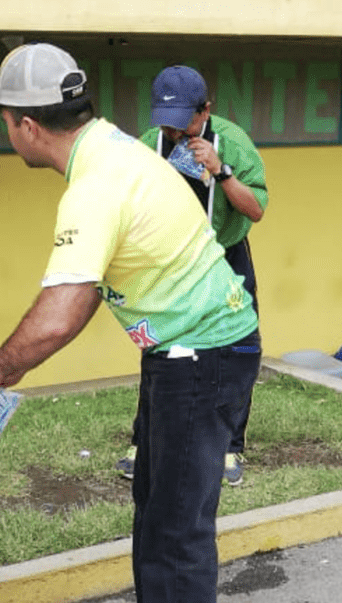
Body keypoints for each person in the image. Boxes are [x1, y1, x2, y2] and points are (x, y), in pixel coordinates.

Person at [0, 43, 260, 603]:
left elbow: (62, 311)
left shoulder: (95, 185)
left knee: (180, 522)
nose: (7, 131)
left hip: (204, 353)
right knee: (155, 499)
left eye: (5, 120)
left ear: (26, 125)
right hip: (182, 352)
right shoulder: (115, 149)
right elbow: (96, 280)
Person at [115, 66, 269, 487]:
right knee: (159, 348)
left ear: (206, 112)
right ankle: (142, 441)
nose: (176, 134)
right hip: (174, 263)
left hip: (224, 257)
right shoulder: (151, 145)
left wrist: (221, 170)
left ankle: (229, 447)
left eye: (184, 124)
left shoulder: (234, 143)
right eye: (167, 124)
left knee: (237, 352)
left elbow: (255, 209)